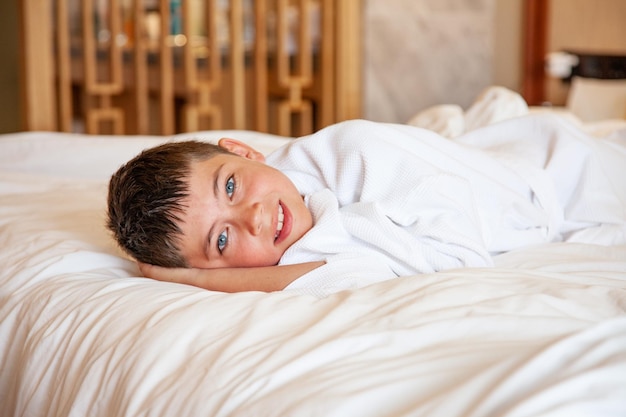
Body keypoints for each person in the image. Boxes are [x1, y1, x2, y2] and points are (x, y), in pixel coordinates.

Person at [107, 115, 626, 297]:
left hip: (567, 176)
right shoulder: (284, 240)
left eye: (231, 187)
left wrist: (205, 277)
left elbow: (462, 262)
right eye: (221, 240)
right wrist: (199, 279)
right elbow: (351, 270)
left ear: (243, 152)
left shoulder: (358, 152)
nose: (255, 218)